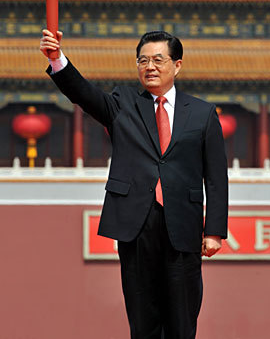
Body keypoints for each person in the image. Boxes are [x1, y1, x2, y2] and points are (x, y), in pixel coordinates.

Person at [40, 29, 228, 339]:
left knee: (182, 321)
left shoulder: (202, 113)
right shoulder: (123, 103)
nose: (149, 67)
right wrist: (57, 59)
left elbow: (216, 176)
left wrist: (215, 231)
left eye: (157, 59)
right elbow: (84, 94)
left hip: (183, 224)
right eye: (143, 60)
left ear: (177, 65)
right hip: (136, 224)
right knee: (143, 320)